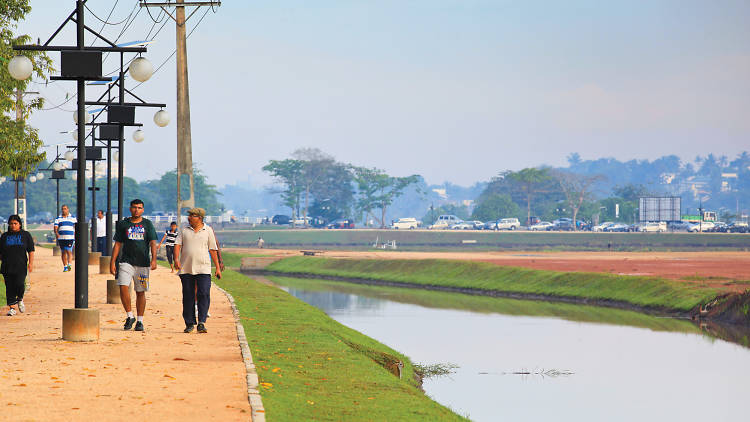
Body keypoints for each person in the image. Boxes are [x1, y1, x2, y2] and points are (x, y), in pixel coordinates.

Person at [109, 199, 158, 332]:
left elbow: (153, 242)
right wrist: (112, 261)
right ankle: (130, 316)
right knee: (123, 285)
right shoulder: (123, 224)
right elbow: (118, 244)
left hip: (143, 263)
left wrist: (154, 259)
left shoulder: (147, 224)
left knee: (140, 292)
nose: (137, 210)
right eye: (134, 207)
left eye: (139, 208)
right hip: (126, 261)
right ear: (130, 209)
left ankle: (140, 320)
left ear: (143, 210)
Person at [174, 207, 221, 334]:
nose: (189, 218)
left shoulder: (208, 230)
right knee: (188, 296)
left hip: (204, 268)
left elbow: (212, 249)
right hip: (186, 268)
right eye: (189, 216)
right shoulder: (184, 230)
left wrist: (217, 267)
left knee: (204, 293)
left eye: (192, 216)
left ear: (199, 218)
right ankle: (189, 323)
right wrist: (176, 260)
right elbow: (177, 245)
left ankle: (201, 322)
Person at [0, 215, 35, 316]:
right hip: (7, 266)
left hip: (21, 265)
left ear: (19, 224)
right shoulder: (4, 236)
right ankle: (12, 308)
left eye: (15, 223)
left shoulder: (25, 235)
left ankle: (20, 299)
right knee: (9, 286)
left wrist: (31, 264)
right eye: (11, 224)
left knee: (20, 284)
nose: (13, 225)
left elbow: (31, 250)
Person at [53, 204, 76, 272]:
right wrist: (56, 233)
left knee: (69, 250)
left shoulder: (73, 217)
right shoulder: (58, 218)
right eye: (63, 209)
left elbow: (76, 227)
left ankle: (69, 264)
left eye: (65, 208)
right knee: (63, 252)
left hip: (70, 237)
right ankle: (65, 266)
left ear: (68, 209)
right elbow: (55, 227)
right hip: (61, 238)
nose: (64, 210)